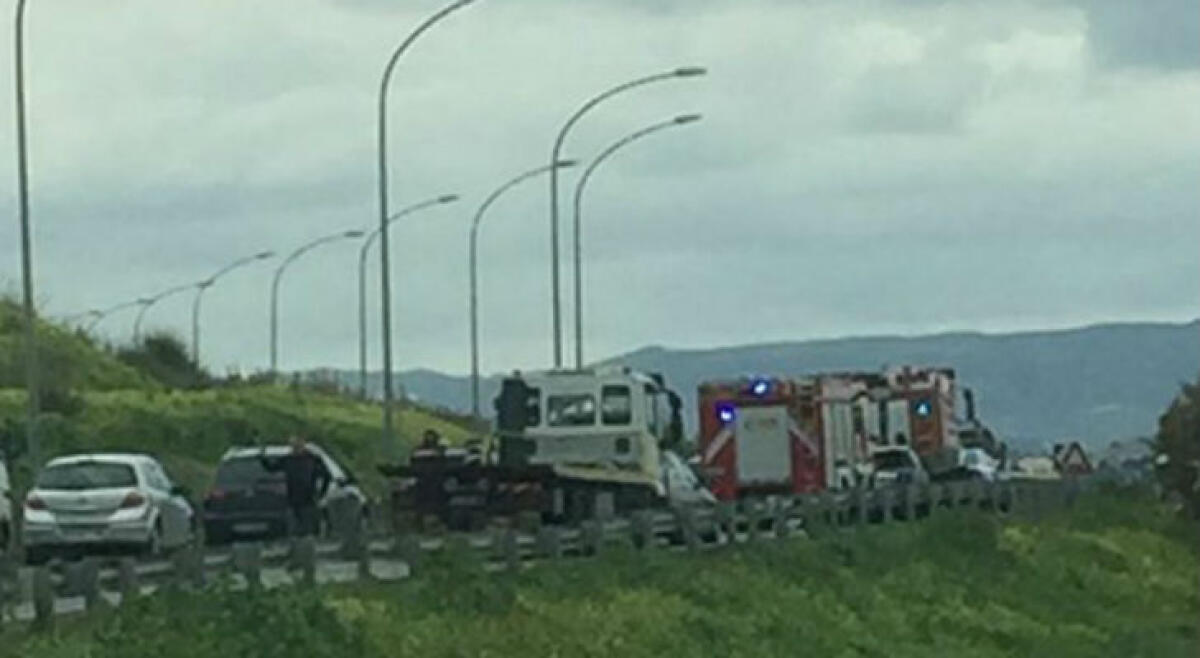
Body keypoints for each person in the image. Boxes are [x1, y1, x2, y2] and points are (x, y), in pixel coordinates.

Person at [260, 436, 332, 537]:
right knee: (293, 531)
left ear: (303, 445)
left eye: (298, 446)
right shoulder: (288, 459)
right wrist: (262, 456)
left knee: (309, 531)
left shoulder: (312, 460)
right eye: (294, 446)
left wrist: (321, 494)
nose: (296, 448)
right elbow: (271, 468)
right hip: (292, 500)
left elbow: (327, 476)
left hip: (309, 500)